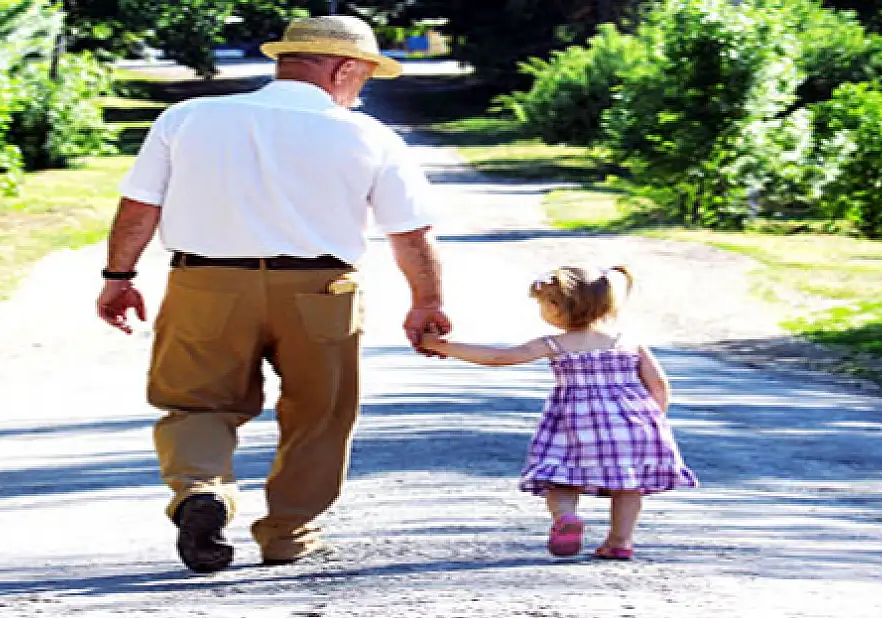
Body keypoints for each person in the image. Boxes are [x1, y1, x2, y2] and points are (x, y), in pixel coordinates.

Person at [95, 15, 451, 573]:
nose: (362, 88)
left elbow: (140, 206)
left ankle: (201, 492)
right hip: (321, 290)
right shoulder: (370, 136)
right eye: (364, 76)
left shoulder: (189, 118)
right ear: (344, 68)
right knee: (319, 413)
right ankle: (288, 535)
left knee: (195, 405)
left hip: (205, 281)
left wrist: (119, 278)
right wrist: (427, 302)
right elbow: (411, 235)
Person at [422, 266, 697, 560]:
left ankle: (566, 517)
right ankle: (620, 541)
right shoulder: (628, 342)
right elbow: (659, 384)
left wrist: (441, 346)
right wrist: (655, 424)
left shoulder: (554, 344)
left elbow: (500, 357)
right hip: (634, 424)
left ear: (555, 307)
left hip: (577, 424)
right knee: (629, 486)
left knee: (559, 474)